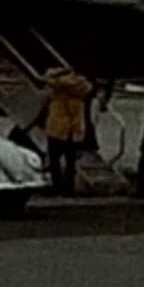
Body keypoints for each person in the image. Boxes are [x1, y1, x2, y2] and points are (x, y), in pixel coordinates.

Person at [42, 67, 93, 196]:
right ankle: (69, 188)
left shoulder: (57, 87)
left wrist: (57, 71)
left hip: (57, 127)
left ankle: (56, 186)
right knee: (71, 162)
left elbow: (46, 78)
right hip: (74, 129)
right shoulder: (82, 88)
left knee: (54, 160)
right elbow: (90, 88)